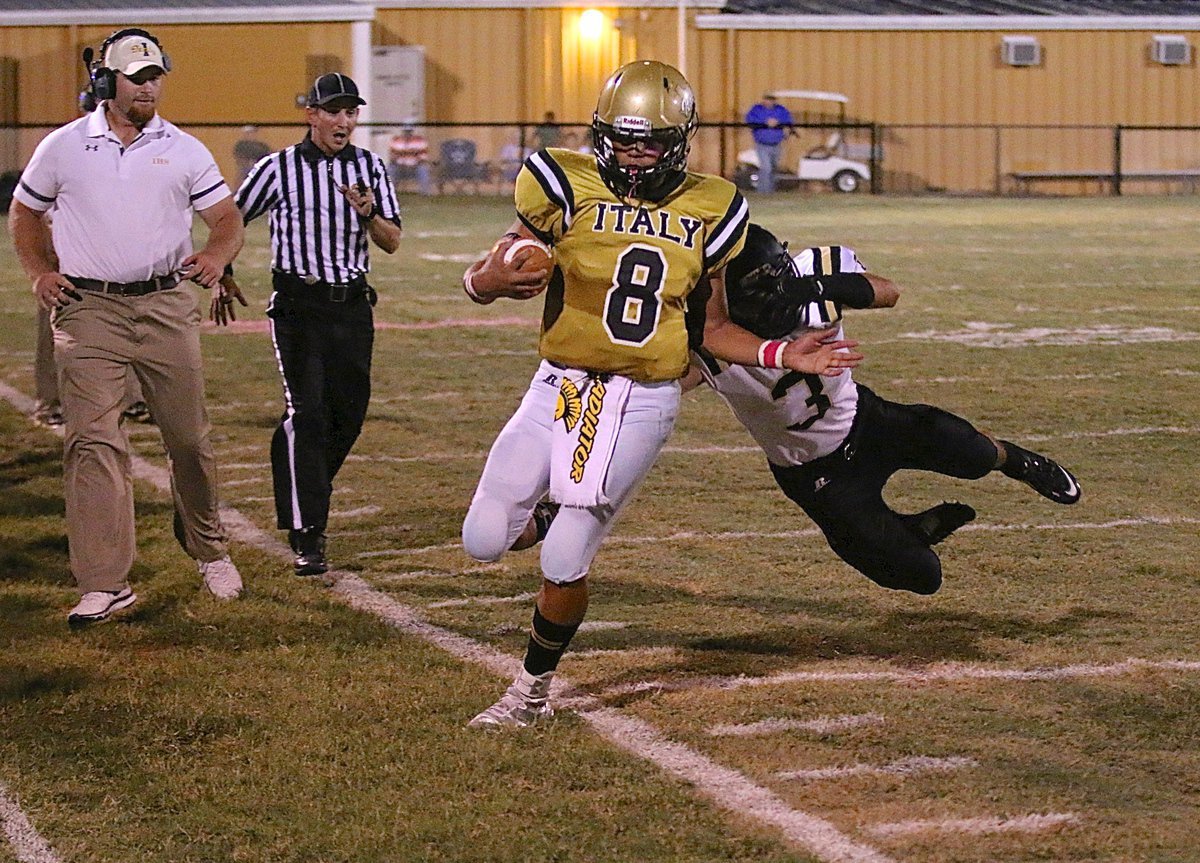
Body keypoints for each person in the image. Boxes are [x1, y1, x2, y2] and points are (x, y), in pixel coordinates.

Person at [458, 61, 863, 728]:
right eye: (623, 138)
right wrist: (491, 282)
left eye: (650, 141)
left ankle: (529, 692)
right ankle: (564, 506)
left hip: (642, 397)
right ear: (601, 133)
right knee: (481, 538)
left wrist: (783, 352)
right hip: (558, 384)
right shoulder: (559, 182)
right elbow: (486, 272)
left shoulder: (714, 206)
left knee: (563, 561)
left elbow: (712, 326)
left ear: (680, 141)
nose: (636, 153)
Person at [687, 224, 1082, 595]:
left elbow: (888, 292)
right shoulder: (711, 340)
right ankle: (906, 529)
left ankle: (1019, 461)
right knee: (922, 575)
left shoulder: (814, 273)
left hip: (865, 419)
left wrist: (816, 287)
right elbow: (674, 379)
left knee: (973, 452)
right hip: (816, 475)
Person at [8, 27, 246, 624]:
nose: (149, 87)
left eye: (155, 76)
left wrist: (217, 255)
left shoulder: (186, 149)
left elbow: (225, 217)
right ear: (105, 82)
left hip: (165, 306)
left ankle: (207, 547)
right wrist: (39, 270)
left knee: (189, 440)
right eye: (136, 77)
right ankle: (105, 580)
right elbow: (25, 211)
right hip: (88, 312)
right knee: (92, 442)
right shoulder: (61, 146)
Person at [235, 73, 402, 577]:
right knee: (307, 414)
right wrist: (219, 270)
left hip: (351, 306)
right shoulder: (278, 168)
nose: (344, 121)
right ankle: (309, 531)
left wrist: (369, 213)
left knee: (348, 414)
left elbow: (392, 240)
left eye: (351, 112)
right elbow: (230, 217)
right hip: (298, 306)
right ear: (312, 115)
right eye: (334, 111)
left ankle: (304, 485)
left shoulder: (370, 167)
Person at [744, 93, 794, 194]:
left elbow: (789, 122)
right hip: (762, 144)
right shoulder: (757, 110)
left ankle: (770, 189)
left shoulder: (781, 110)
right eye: (767, 99)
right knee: (766, 167)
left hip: (776, 144)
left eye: (771, 100)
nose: (769, 102)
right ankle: (765, 191)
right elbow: (750, 121)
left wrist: (782, 125)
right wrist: (765, 122)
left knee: (773, 168)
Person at [387, 126, 432, 196]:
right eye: (406, 132)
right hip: (399, 167)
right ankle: (389, 193)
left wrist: (404, 153)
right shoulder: (396, 140)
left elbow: (423, 158)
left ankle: (425, 194)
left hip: (415, 167)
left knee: (423, 168)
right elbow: (393, 157)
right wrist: (412, 152)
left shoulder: (420, 141)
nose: (407, 134)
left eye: (409, 132)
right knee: (391, 168)